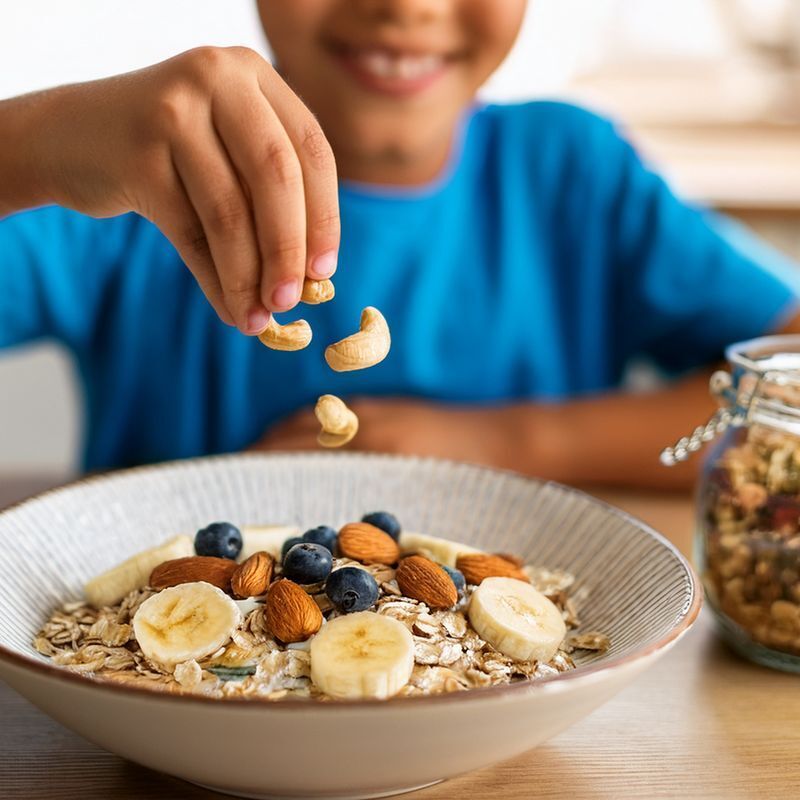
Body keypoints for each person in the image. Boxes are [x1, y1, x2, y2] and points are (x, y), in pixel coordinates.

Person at [0, 0, 798, 489]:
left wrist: (507, 443)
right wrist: (32, 144)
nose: (405, 6)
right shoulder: (133, 177)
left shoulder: (573, 174)